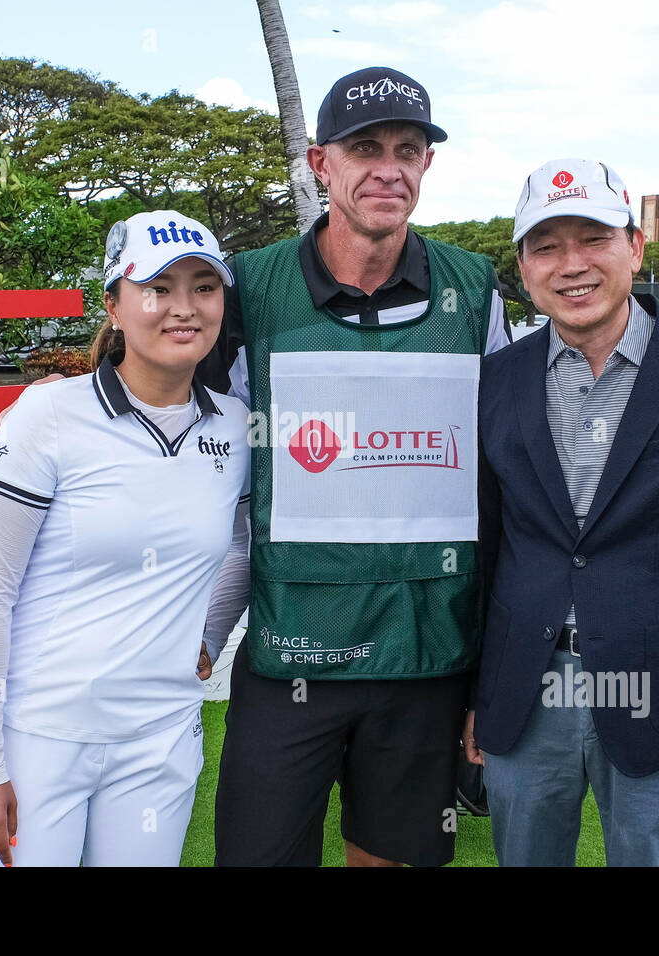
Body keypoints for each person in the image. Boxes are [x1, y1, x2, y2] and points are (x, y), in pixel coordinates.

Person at [197, 66, 512, 867]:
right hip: (289, 651)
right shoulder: (249, 287)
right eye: (364, 148)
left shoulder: (475, 293)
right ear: (319, 163)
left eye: (408, 149)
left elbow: (504, 480)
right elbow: (205, 475)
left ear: (427, 166)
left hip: (427, 654)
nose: (388, 168)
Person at [465, 158, 659, 866]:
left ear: (635, 247)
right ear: (522, 267)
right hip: (524, 694)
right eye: (546, 245)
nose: (571, 265)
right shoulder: (498, 381)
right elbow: (487, 551)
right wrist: (477, 696)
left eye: (593, 238)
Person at [0, 211, 250, 866]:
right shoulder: (45, 415)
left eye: (204, 287)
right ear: (113, 303)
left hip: (162, 741)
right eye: (157, 288)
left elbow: (240, 543)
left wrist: (208, 635)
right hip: (40, 739)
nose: (184, 308)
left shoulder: (233, 426)